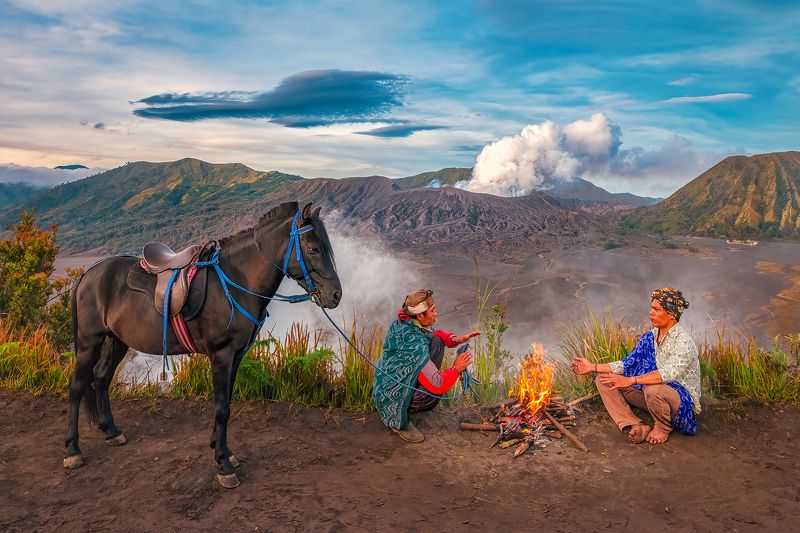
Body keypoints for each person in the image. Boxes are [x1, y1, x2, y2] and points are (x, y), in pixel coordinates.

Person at [572, 288, 701, 444]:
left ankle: (663, 427)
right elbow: (627, 363)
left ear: (671, 314)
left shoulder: (683, 342)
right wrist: (592, 367)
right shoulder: (650, 337)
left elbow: (666, 374)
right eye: (651, 308)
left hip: (679, 404)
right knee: (603, 380)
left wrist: (631, 380)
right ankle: (635, 424)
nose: (651, 312)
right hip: (650, 396)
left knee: (653, 388)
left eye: (657, 309)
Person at [372, 289, 480, 443]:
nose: (436, 313)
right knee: (433, 395)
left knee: (437, 341)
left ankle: (413, 389)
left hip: (387, 386)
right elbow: (438, 384)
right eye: (432, 310)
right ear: (420, 316)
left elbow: (436, 334)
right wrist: (456, 369)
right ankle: (399, 421)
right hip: (392, 394)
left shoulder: (405, 323)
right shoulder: (414, 346)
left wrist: (455, 340)